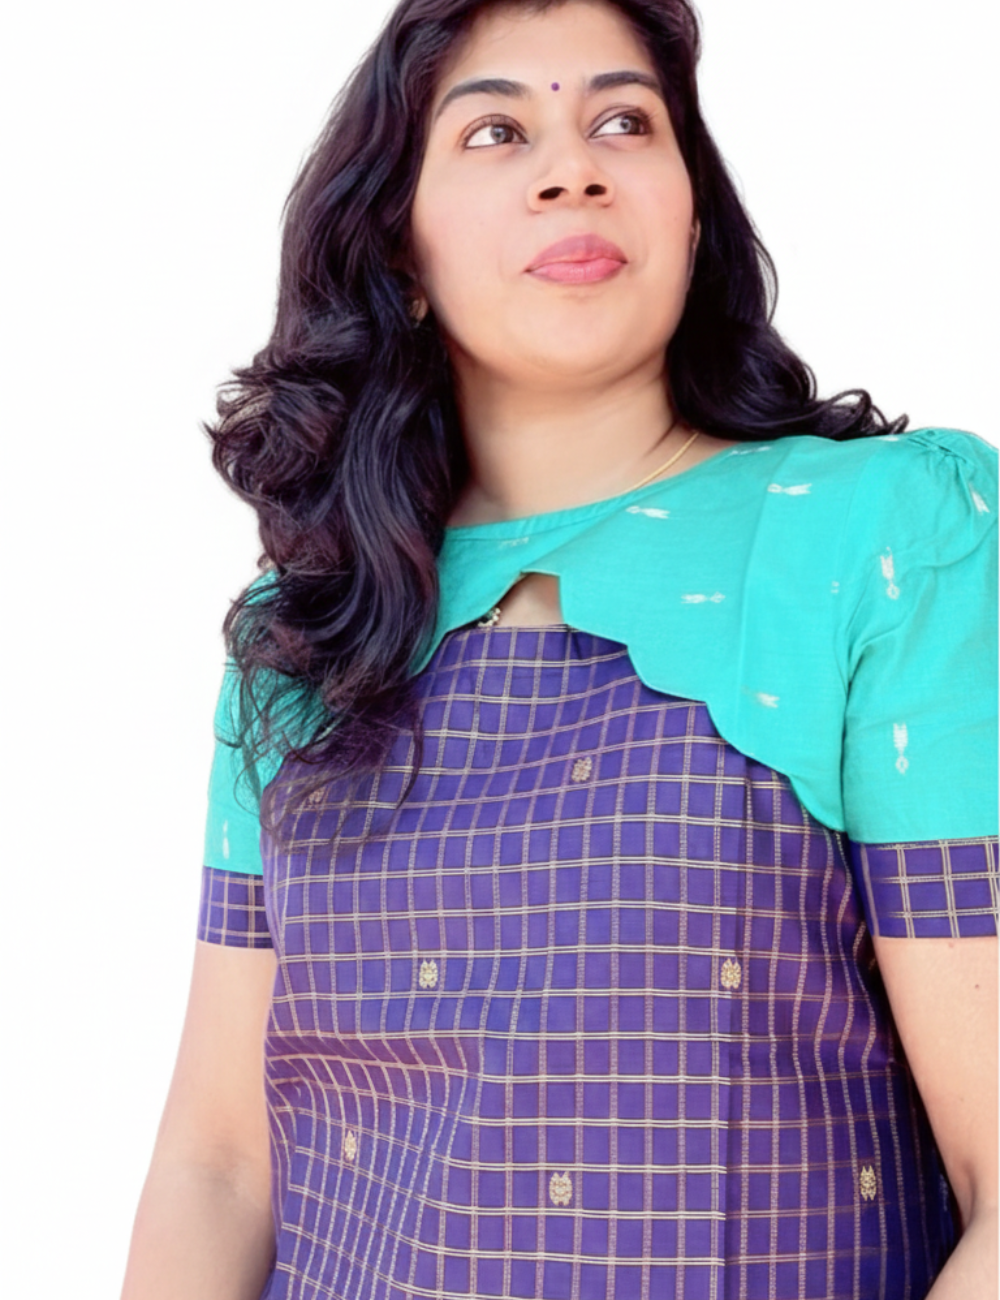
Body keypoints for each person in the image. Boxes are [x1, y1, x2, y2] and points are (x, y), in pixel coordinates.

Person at [120, 1, 999, 1296]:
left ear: (689, 216)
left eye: (624, 121)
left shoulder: (880, 540)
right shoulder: (304, 630)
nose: (572, 167)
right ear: (398, 248)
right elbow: (221, 1167)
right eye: (494, 132)